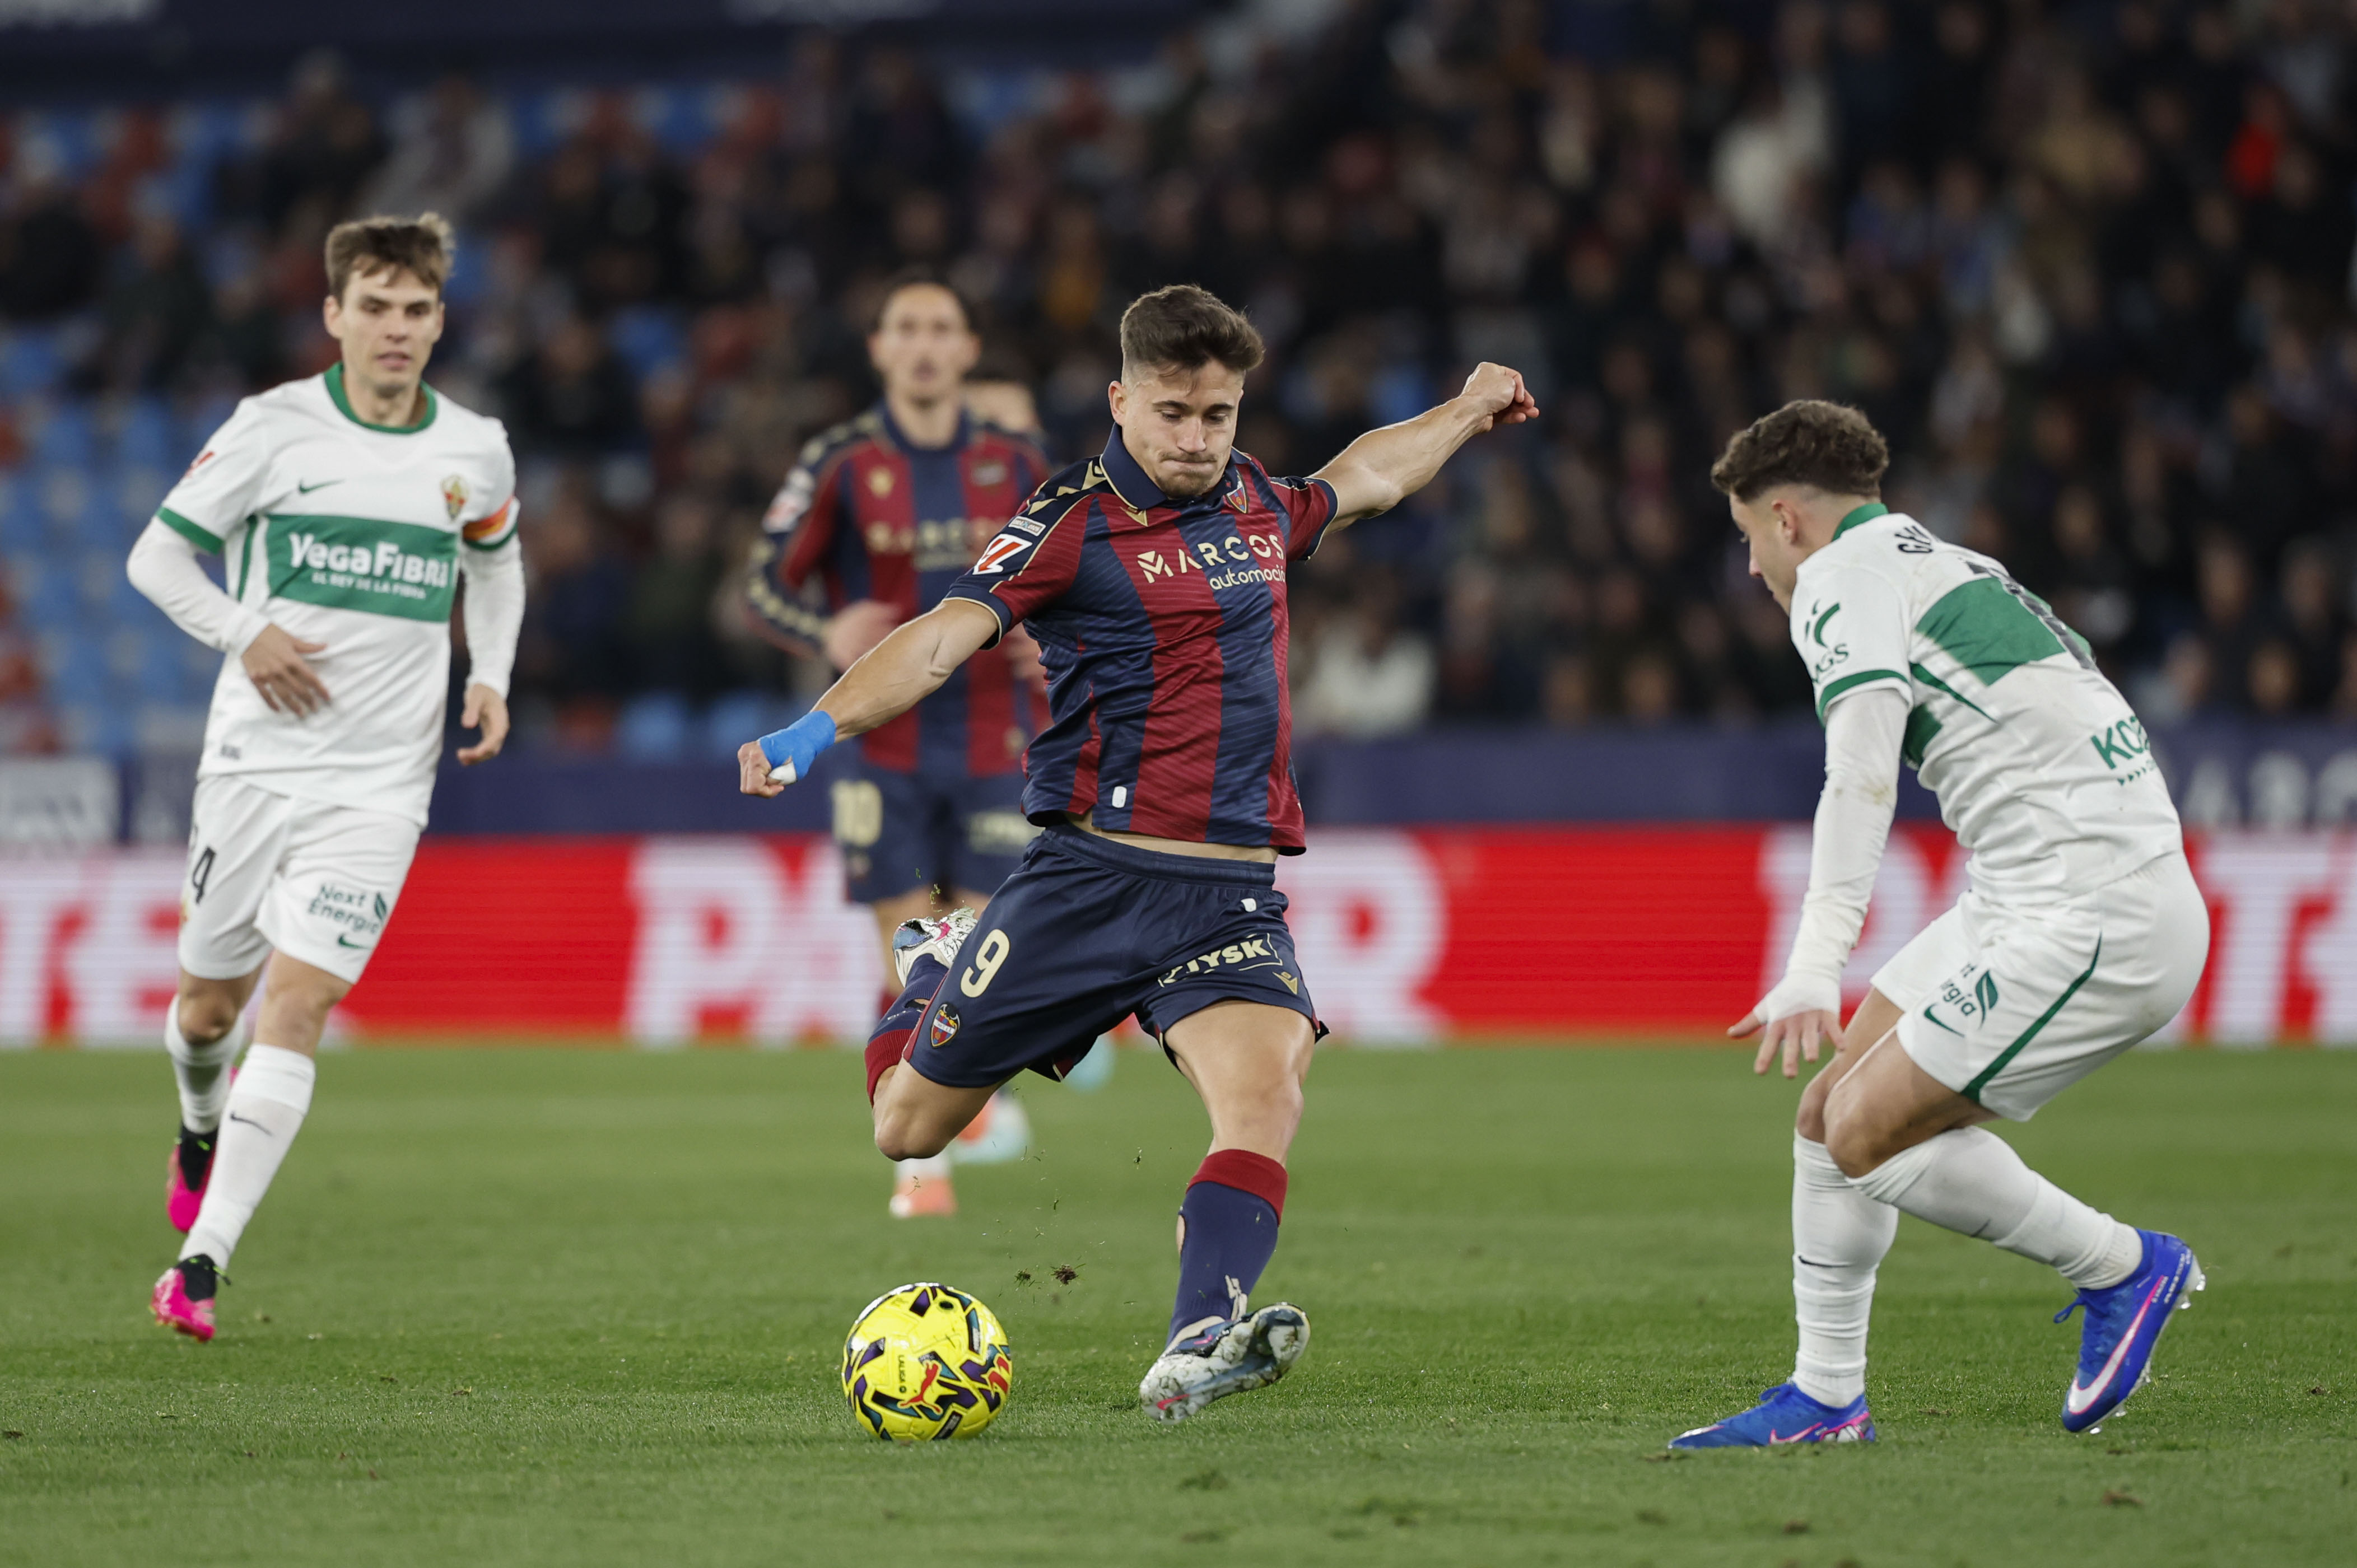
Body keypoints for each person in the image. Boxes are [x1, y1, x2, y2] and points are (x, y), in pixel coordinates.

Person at [737, 284, 1538, 1421]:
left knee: (1265, 1101)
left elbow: (1368, 474)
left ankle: (1196, 1336)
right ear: (1122, 401)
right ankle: (933, 964)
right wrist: (811, 730)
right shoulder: (1068, 524)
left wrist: (1466, 406)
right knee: (906, 1127)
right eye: (1173, 413)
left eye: (1217, 414)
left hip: (1225, 896)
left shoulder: (1258, 499)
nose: (1197, 438)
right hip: (1087, 882)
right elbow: (935, 644)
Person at [1670, 401, 2207, 1449]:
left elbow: (1861, 779)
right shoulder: (1944, 560)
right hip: (2043, 887)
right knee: (1828, 1121)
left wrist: (1815, 962)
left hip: (2090, 908)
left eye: (1747, 542)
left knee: (1870, 1133)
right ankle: (1827, 1399)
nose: (1752, 572)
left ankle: (2124, 1268)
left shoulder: (1840, 577)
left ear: (1786, 520)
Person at [132, 214, 523, 1342]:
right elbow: (155, 554)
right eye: (376, 307)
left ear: (440, 320)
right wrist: (245, 630)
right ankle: (197, 1128)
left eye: (417, 310)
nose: (396, 329)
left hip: (380, 787)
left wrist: (489, 672)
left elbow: (497, 567)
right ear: (334, 316)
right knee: (207, 1009)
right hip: (254, 765)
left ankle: (199, 1265)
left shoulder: (475, 450)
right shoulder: (274, 429)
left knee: (297, 1005)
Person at [743, 271, 1055, 1217]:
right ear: (879, 349)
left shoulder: (1017, 458)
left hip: (999, 743)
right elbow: (765, 583)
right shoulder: (839, 460)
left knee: (979, 948)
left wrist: (1059, 635)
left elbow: (1075, 572)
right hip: (883, 749)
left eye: (942, 329)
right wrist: (823, 634)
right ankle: (921, 1165)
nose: (924, 345)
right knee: (911, 950)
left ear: (967, 351)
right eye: (905, 328)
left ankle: (962, 1111)